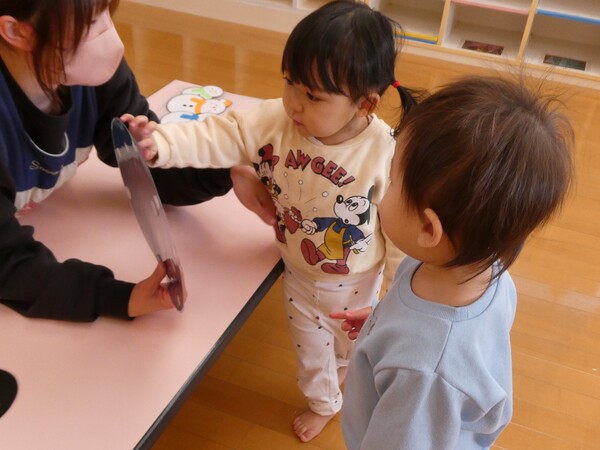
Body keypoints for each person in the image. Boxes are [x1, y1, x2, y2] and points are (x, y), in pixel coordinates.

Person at [122, 0, 417, 441]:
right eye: (290, 82)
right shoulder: (275, 120)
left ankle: (343, 366)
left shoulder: (384, 151)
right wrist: (161, 143)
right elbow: (220, 134)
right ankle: (324, 402)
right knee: (311, 356)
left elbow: (397, 229)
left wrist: (397, 295)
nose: (294, 103)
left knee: (355, 343)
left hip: (359, 279)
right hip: (297, 272)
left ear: (364, 104)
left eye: (313, 96)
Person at [331, 75, 573, 449]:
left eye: (392, 180)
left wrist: (403, 343)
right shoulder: (483, 270)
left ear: (429, 228)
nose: (383, 188)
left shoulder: (423, 371)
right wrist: (385, 323)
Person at [0, 0, 273, 322]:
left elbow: (152, 172)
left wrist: (227, 167)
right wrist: (118, 298)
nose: (108, 35)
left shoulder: (85, 71)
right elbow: (9, 266)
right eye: (89, 23)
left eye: (106, 13)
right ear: (15, 31)